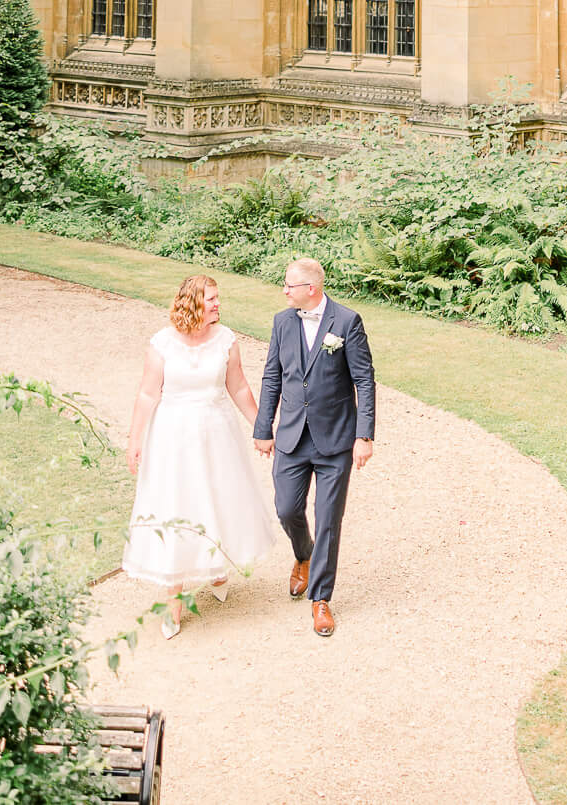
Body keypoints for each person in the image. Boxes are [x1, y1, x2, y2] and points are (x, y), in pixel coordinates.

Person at [122, 273, 277, 638]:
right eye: (211, 299)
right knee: (175, 506)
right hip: (172, 437)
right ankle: (173, 601)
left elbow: (237, 387)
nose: (218, 303)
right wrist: (135, 440)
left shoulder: (226, 341)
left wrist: (262, 428)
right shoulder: (161, 344)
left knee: (219, 497)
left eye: (218, 298)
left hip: (217, 432)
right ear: (192, 302)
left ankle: (216, 568)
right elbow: (147, 394)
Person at [252, 256, 376, 638]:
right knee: (286, 508)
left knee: (328, 520)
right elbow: (273, 375)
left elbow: (364, 380)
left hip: (335, 438)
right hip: (291, 435)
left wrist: (364, 435)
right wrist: (263, 428)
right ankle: (303, 555)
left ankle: (321, 599)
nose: (284, 290)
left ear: (312, 288)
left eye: (289, 285)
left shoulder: (347, 322)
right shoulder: (282, 322)